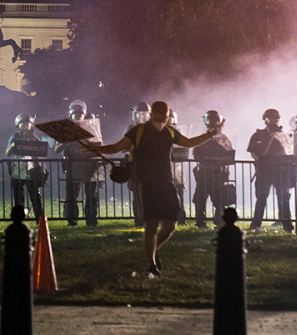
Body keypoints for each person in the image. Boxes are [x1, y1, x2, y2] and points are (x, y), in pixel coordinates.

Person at [92, 101, 221, 277]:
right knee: (151, 225)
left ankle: (153, 250)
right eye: (160, 115)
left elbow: (189, 143)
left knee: (171, 225)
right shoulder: (138, 131)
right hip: (146, 183)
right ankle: (151, 265)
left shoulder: (169, 132)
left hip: (166, 182)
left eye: (166, 115)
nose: (163, 118)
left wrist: (210, 134)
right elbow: (116, 147)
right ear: (152, 114)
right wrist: (95, 149)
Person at [54, 100, 104, 226]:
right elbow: (56, 148)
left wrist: (89, 141)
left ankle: (91, 219)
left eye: (80, 114)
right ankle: (71, 219)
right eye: (75, 114)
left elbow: (100, 144)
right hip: (72, 164)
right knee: (71, 194)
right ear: (70, 114)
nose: (78, 116)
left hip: (90, 165)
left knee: (91, 194)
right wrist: (65, 140)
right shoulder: (65, 129)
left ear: (84, 114)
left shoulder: (91, 127)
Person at [246, 109, 294, 233]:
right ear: (265, 120)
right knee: (261, 197)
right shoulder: (258, 135)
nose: (274, 121)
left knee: (283, 198)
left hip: (281, 171)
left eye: (276, 119)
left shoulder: (284, 135)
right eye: (271, 118)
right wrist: (260, 160)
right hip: (264, 171)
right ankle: (256, 224)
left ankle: (288, 227)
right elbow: (252, 151)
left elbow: (288, 151)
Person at [192, 110, 234, 228]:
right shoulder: (203, 137)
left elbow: (229, 153)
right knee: (200, 198)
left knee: (218, 199)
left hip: (218, 171)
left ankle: (219, 221)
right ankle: (200, 222)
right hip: (204, 171)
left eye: (213, 120)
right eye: (208, 120)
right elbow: (195, 152)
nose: (211, 122)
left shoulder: (222, 138)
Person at [7, 113, 46, 222]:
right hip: (17, 171)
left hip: (32, 172)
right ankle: (19, 221)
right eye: (22, 124)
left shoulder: (34, 138)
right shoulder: (14, 137)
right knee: (19, 199)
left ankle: (40, 221)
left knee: (35, 197)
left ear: (31, 125)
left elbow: (42, 152)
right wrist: (12, 146)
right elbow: (7, 153)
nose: (24, 126)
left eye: (27, 123)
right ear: (17, 125)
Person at [127, 101, 152, 226]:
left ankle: (148, 217)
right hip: (135, 166)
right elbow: (123, 146)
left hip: (149, 166)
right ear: (134, 115)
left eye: (144, 114)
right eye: (139, 114)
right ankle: (138, 218)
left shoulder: (152, 129)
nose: (142, 117)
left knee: (150, 193)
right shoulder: (131, 129)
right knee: (136, 193)